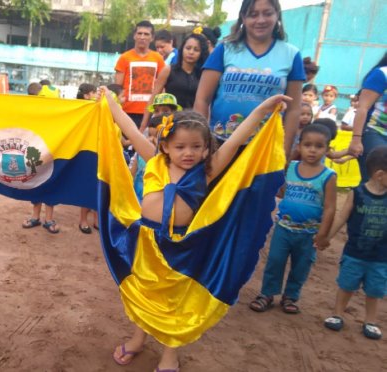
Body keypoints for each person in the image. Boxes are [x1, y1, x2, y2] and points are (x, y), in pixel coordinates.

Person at [102, 84, 290, 371]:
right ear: (165, 145)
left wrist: (262, 110)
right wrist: (111, 103)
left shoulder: (207, 170)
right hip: (146, 241)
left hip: (182, 248)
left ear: (206, 149)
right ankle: (138, 339)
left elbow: (235, 141)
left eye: (196, 147)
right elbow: (129, 127)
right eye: (180, 147)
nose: (188, 153)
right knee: (143, 293)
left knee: (176, 303)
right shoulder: (154, 159)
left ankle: (170, 355)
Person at [195, 0, 305, 156]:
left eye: (267, 13)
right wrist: (200, 143)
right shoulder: (225, 49)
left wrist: (285, 153)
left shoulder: (291, 54)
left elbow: (294, 110)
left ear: (277, 15)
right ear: (243, 18)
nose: (260, 20)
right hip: (220, 144)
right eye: (253, 14)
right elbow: (202, 99)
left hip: (265, 149)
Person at [249, 124, 337, 314]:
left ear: (327, 150)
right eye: (307, 145)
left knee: (301, 266)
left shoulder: (328, 176)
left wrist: (323, 234)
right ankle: (267, 294)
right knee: (275, 261)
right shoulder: (290, 168)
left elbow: (330, 207)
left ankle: (291, 296)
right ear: (299, 146)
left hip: (309, 233)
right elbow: (281, 192)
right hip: (283, 228)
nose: (312, 150)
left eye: (319, 146)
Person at [323, 146, 387, 340]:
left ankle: (370, 321)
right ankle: (337, 314)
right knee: (346, 285)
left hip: (381, 257)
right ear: (379, 174)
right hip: (354, 253)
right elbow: (342, 217)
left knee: (375, 291)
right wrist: (327, 237)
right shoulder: (357, 193)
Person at [141, 32, 209, 130]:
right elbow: (153, 97)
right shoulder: (168, 70)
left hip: (193, 125)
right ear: (182, 49)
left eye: (196, 50)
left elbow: (207, 103)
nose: (191, 52)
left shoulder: (203, 74)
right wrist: (143, 126)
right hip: (169, 124)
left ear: (201, 53)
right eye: (188, 48)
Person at [22, 82, 60, 233]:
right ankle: (35, 217)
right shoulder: (31, 113)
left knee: (51, 185)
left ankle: (49, 219)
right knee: (36, 184)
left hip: (53, 155)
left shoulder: (58, 115)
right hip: (35, 155)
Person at [114, 20, 166, 129]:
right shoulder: (124, 58)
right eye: (139, 33)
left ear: (152, 38)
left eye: (146, 34)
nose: (142, 37)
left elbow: (162, 86)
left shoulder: (158, 59)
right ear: (134, 36)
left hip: (150, 112)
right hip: (126, 112)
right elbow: (117, 88)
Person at [347, 52, 387, 181]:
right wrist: (356, 139)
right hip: (375, 132)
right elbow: (363, 108)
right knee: (375, 182)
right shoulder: (381, 74)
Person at [76, 83, 99, 234]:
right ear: (86, 95)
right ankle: (83, 220)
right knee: (87, 187)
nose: (97, 95)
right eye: (94, 93)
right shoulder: (82, 110)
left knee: (99, 188)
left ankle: (97, 220)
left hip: (100, 152)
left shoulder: (101, 109)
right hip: (87, 153)